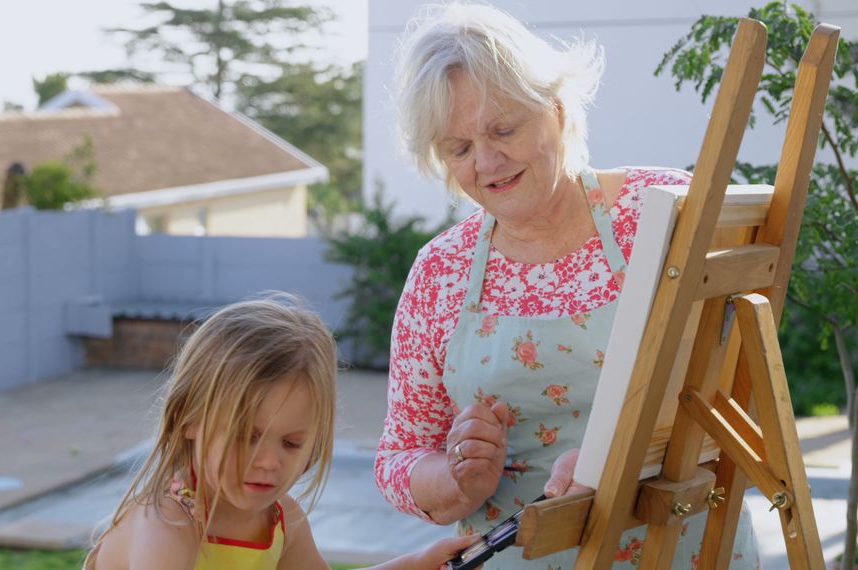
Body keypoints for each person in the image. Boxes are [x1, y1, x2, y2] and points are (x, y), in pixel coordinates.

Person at [375, 2, 761, 568]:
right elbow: (398, 456)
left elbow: (747, 394)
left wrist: (621, 457)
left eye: (502, 129)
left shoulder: (660, 212)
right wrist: (458, 478)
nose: (486, 161)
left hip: (679, 550)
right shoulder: (441, 271)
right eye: (458, 148)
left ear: (556, 108)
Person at [85, 293, 477, 570]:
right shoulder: (167, 524)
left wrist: (412, 566)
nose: (271, 461)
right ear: (190, 418)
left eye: (291, 443)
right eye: (245, 436)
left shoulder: (280, 521)